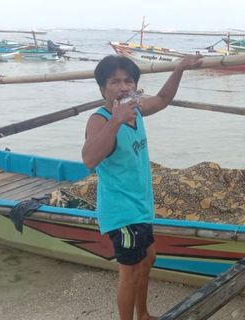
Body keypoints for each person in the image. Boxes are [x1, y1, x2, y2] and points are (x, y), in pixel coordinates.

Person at [81, 54, 202, 320]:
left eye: (129, 81)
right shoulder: (100, 119)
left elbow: (162, 100)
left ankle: (143, 314)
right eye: (115, 82)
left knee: (148, 259)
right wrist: (115, 120)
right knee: (131, 270)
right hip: (121, 211)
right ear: (103, 89)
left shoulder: (136, 109)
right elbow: (89, 158)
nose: (124, 87)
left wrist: (179, 69)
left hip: (140, 206)